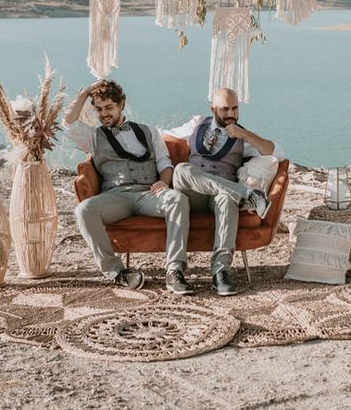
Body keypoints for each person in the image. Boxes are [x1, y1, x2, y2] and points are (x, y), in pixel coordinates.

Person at [66, 80, 194, 295]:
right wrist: (87, 91)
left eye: (108, 107)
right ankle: (117, 273)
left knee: (178, 199)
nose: (103, 114)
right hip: (116, 196)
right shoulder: (93, 137)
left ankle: (174, 270)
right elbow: (69, 121)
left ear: (121, 104)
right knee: (83, 210)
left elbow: (165, 163)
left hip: (148, 194)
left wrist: (164, 181)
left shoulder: (148, 131)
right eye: (98, 109)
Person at [165, 87, 284, 296]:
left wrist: (245, 134)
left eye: (235, 108)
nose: (231, 114)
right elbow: (162, 136)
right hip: (191, 193)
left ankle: (220, 272)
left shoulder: (242, 137)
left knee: (227, 200)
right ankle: (247, 195)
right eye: (224, 109)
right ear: (213, 109)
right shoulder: (196, 124)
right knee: (182, 169)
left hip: (218, 196)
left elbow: (277, 154)